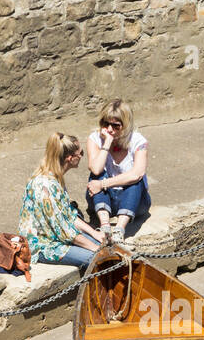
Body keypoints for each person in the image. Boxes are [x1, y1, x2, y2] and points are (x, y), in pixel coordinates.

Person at [19, 133, 107, 268]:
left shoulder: (55, 176)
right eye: (81, 153)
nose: (82, 156)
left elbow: (69, 215)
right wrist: (96, 248)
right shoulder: (45, 188)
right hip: (44, 244)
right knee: (100, 258)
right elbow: (65, 232)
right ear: (70, 158)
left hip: (59, 233)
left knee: (103, 245)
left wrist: (94, 233)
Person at [86, 99, 150, 239]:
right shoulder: (95, 139)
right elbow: (96, 169)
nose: (109, 129)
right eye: (106, 124)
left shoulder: (139, 141)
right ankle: (105, 225)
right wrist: (107, 143)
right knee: (97, 174)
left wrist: (103, 184)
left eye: (115, 126)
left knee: (135, 181)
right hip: (105, 198)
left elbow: (137, 174)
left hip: (133, 200)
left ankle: (119, 229)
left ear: (125, 126)